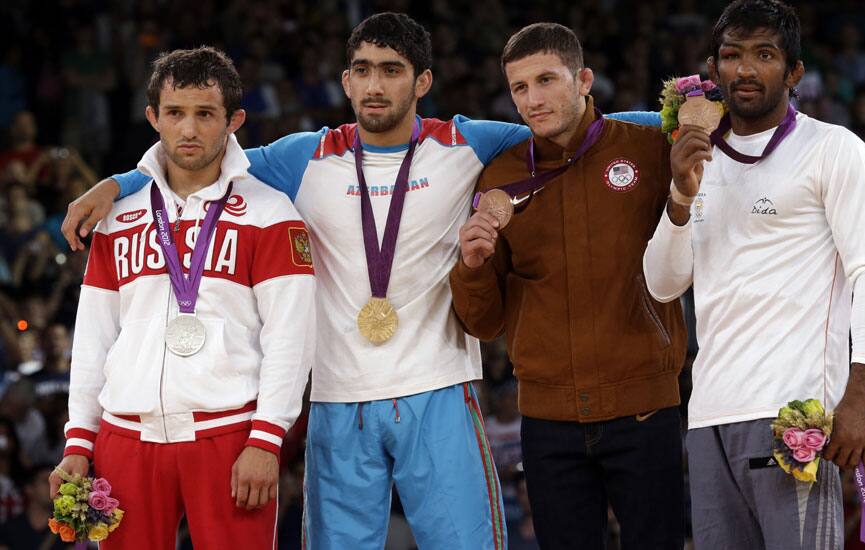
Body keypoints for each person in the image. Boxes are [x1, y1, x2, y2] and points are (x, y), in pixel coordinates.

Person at [59, 13, 660, 550]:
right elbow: (200, 157)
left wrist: (684, 118)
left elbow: (590, 128)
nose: (375, 86)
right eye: (362, 70)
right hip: (338, 397)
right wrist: (116, 182)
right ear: (345, 81)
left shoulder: (467, 142)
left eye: (392, 71)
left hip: (439, 387)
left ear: (422, 82)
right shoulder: (301, 158)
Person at [642, 1, 865, 548]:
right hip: (709, 413)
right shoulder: (695, 158)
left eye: (764, 54)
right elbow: (663, 285)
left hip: (796, 412)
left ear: (795, 71)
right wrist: (681, 197)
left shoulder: (833, 149)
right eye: (732, 56)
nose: (746, 69)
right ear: (713, 72)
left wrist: (861, 395)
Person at [48, 47, 316, 549]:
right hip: (124, 438)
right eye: (174, 113)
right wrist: (79, 440)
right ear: (153, 117)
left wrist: (267, 438)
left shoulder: (270, 214)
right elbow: (93, 337)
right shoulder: (118, 216)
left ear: (233, 120)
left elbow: (292, 340)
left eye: (205, 114)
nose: (188, 130)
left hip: (230, 435)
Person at [449, 22, 686, 550]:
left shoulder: (649, 152)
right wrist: (471, 266)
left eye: (546, 80)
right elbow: (483, 322)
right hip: (548, 422)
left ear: (584, 80)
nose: (532, 100)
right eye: (519, 88)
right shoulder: (501, 178)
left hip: (644, 410)